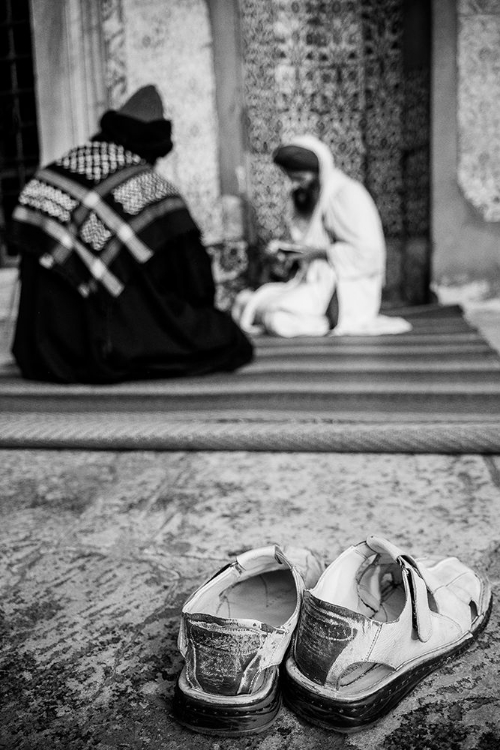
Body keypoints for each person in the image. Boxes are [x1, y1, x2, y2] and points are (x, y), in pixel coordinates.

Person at [8, 85, 253, 383]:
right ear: (154, 146)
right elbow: (195, 281)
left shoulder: (53, 173)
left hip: (41, 352)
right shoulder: (150, 188)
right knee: (227, 338)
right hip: (108, 338)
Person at [233, 134, 410, 337]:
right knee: (243, 303)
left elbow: (369, 254)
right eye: (290, 178)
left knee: (276, 320)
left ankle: (327, 321)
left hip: (344, 290)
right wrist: (289, 254)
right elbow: (310, 244)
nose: (295, 185)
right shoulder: (312, 199)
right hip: (313, 284)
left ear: (319, 172)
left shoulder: (346, 194)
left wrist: (318, 254)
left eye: (300, 178)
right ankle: (310, 316)